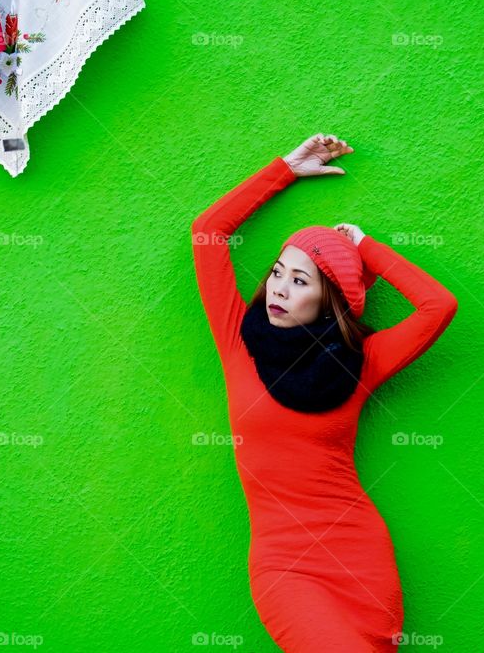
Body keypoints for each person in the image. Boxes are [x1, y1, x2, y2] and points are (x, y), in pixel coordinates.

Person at [190, 134, 458, 652]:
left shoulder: (360, 362)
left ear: (328, 299)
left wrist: (363, 248)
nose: (278, 289)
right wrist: (284, 170)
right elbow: (208, 233)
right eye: (275, 273)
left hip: (359, 557)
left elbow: (437, 307)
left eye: (299, 280)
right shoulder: (238, 338)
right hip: (284, 566)